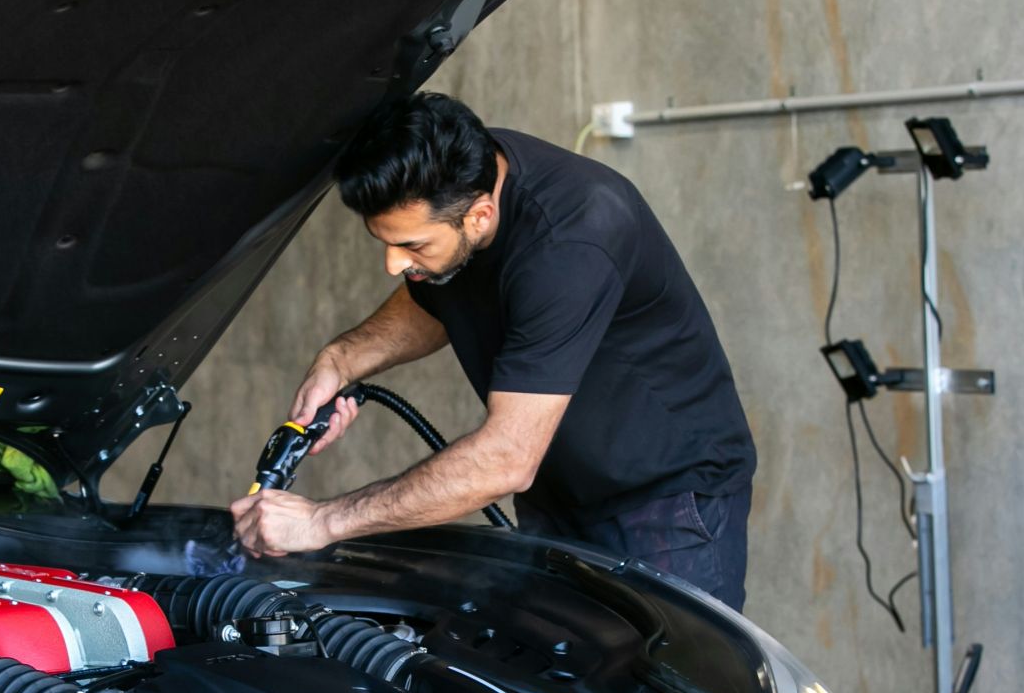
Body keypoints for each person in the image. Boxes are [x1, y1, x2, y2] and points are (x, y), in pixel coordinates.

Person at [229, 92, 757, 609]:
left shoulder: (572, 242)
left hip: (669, 505)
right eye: (385, 242)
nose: (393, 265)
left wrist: (321, 522)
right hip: (559, 492)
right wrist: (341, 359)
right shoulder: (466, 175)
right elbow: (436, 294)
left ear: (480, 216)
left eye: (411, 245)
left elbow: (505, 460)